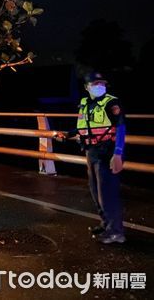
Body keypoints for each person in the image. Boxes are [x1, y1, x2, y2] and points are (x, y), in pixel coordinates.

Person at [62, 71, 126, 244]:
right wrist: (68, 134)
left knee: (107, 193)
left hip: (107, 151)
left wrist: (118, 153)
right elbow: (85, 127)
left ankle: (116, 233)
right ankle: (106, 224)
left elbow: (120, 128)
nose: (100, 87)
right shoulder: (85, 103)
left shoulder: (111, 102)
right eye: (96, 84)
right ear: (87, 87)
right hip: (91, 151)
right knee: (95, 190)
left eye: (102, 84)